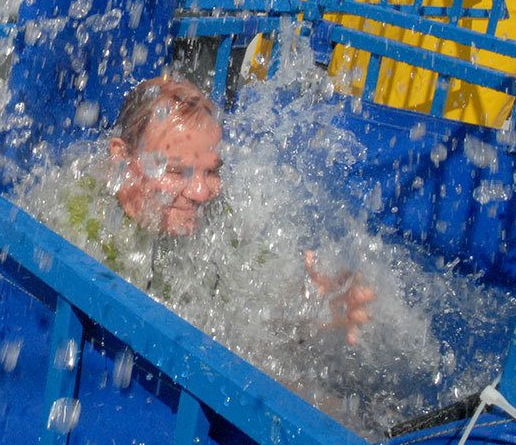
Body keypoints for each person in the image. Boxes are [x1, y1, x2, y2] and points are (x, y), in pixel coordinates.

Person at [42, 76, 374, 345]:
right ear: (122, 159)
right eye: (174, 171)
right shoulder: (83, 222)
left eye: (212, 171)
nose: (201, 193)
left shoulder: (216, 217)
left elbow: (255, 287)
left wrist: (315, 301)